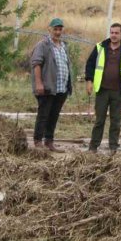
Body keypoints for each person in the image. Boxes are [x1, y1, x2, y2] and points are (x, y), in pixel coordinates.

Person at [84, 23, 121, 153]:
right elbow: (90, 64)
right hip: (102, 90)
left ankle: (113, 147)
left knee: (116, 121)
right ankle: (93, 147)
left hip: (118, 92)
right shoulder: (100, 48)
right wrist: (89, 81)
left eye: (117, 33)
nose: (114, 35)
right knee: (99, 120)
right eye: (112, 32)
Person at [31, 18, 72, 150]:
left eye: (60, 29)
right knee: (44, 115)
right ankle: (38, 141)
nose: (58, 32)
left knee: (54, 116)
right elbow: (36, 64)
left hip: (61, 88)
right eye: (55, 29)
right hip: (47, 87)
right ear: (50, 29)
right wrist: (39, 83)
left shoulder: (64, 46)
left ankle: (49, 141)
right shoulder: (43, 45)